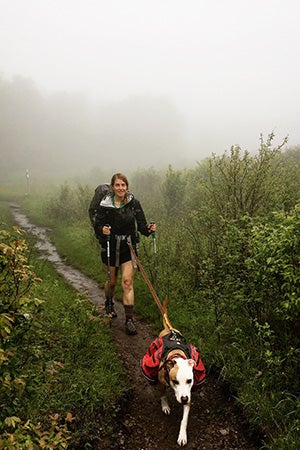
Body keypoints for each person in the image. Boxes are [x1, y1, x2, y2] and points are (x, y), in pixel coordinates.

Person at [93, 173, 156, 335]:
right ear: (113, 187)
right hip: (111, 246)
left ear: (127, 187)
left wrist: (149, 229)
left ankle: (129, 320)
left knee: (127, 282)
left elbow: (142, 227)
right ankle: (108, 303)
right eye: (117, 185)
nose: (121, 188)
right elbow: (97, 224)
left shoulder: (134, 203)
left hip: (128, 246)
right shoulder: (105, 204)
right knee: (112, 282)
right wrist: (102, 230)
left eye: (123, 185)